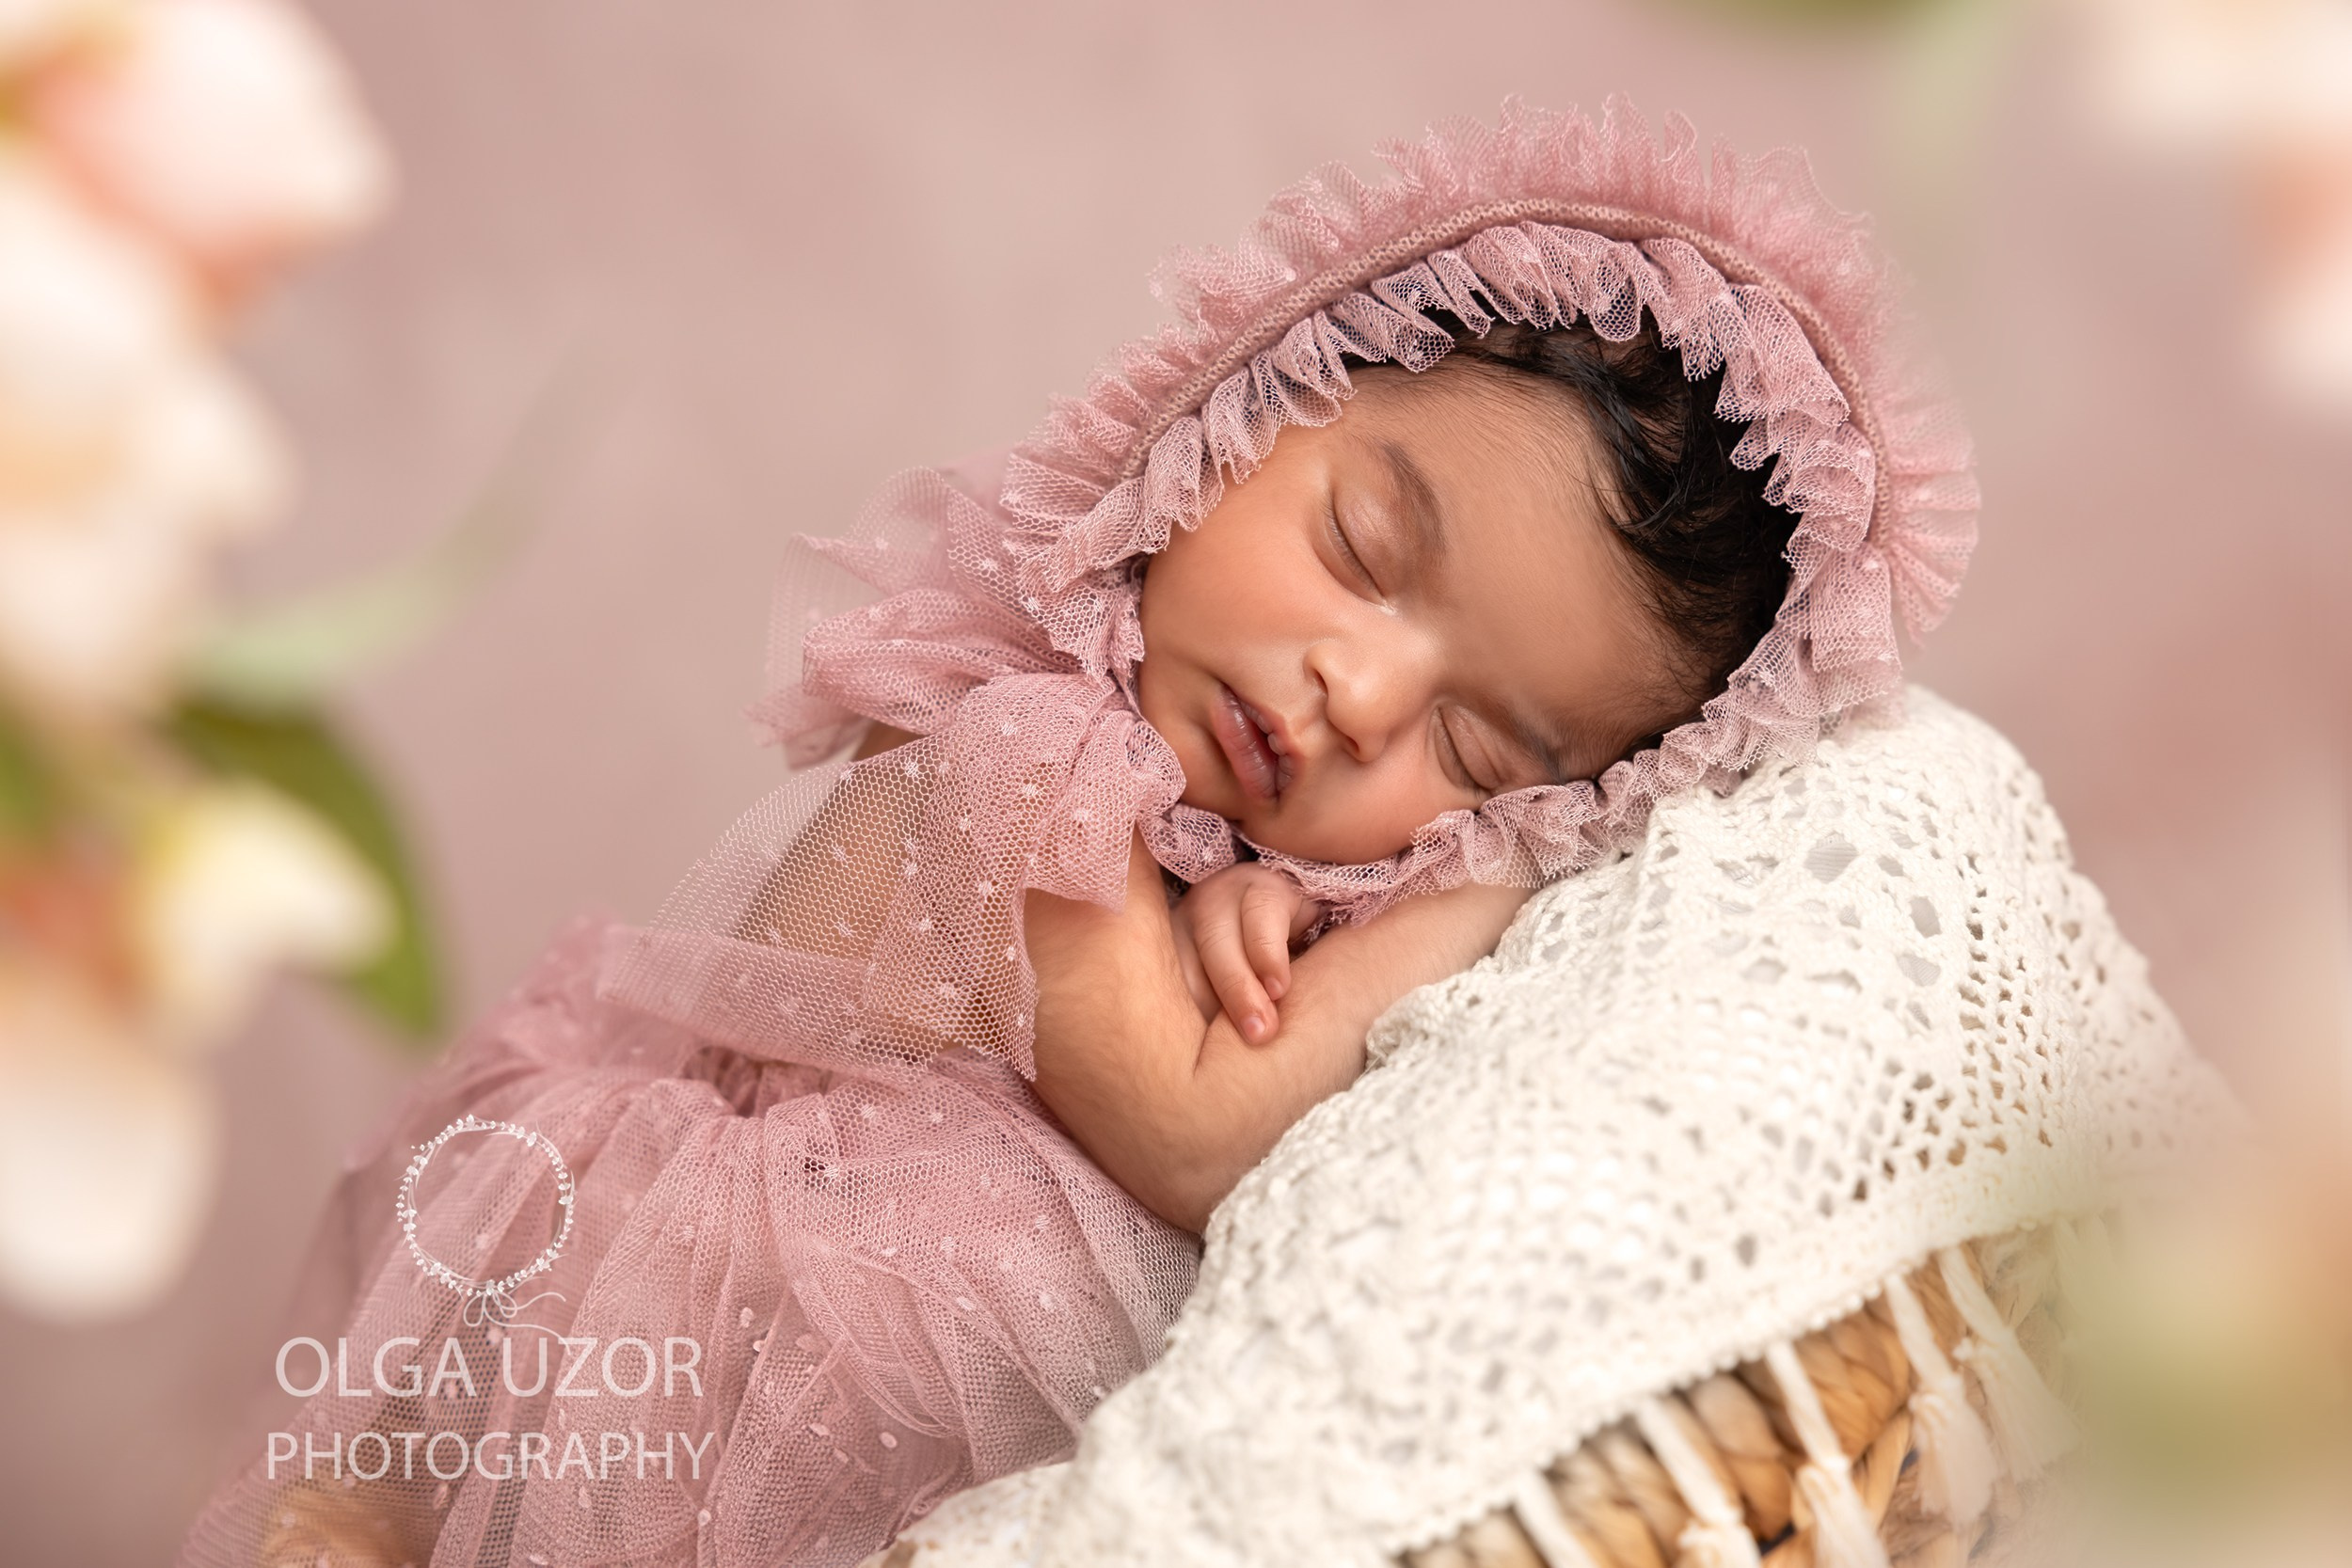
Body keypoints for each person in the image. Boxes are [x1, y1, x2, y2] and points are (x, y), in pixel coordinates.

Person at [180, 101, 1974, 1568]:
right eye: (1363, 546)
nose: (1356, 691)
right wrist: (1474, 896)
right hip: (698, 1366)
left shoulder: (1191, 848)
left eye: (1482, 746)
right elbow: (1195, 1136)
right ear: (1251, 408)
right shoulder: (1026, 756)